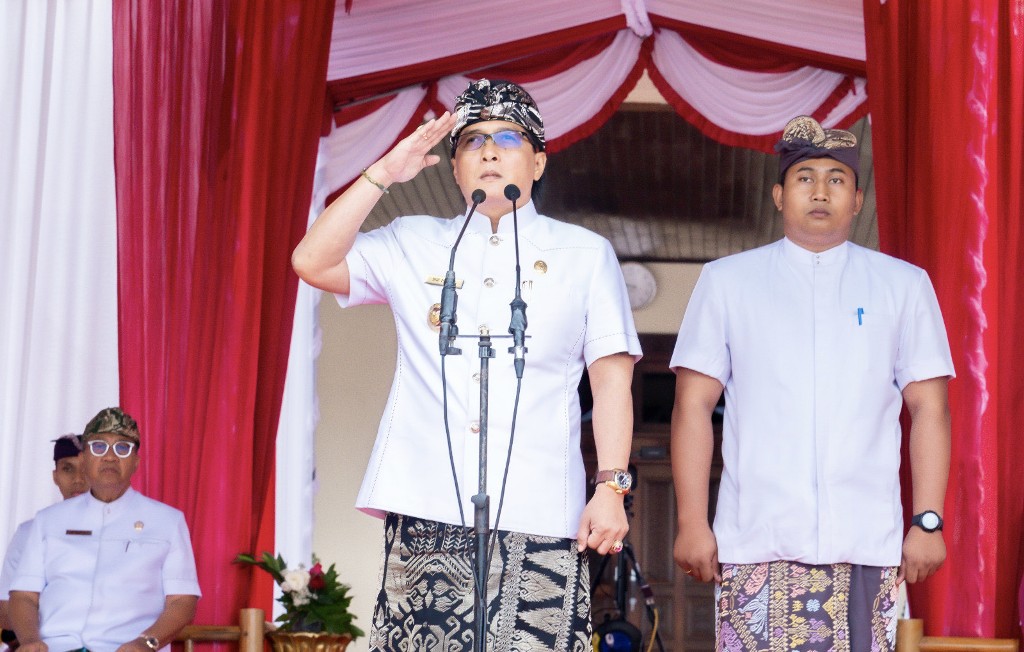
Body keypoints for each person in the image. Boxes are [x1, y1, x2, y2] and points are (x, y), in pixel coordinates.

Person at [292, 78, 641, 651]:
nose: (489, 151)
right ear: (454, 168)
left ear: (538, 162)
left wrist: (612, 485)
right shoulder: (413, 240)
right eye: (473, 141)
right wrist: (384, 172)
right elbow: (311, 261)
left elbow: (611, 381)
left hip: (540, 505)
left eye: (508, 137)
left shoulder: (584, 254)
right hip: (425, 502)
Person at [669, 116, 954, 651]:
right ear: (779, 195)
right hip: (756, 541)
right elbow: (692, 406)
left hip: (865, 541)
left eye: (836, 179)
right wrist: (691, 521)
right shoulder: (727, 281)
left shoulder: (903, 286)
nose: (820, 191)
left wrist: (928, 521)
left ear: (857, 199)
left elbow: (930, 409)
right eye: (805, 178)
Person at [8, 408, 201, 652]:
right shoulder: (48, 520)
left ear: (136, 462)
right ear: (85, 459)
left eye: (122, 448)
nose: (110, 457)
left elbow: (182, 601)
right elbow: (24, 595)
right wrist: (30, 641)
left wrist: (147, 642)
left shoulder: (167, 521)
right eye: (99, 447)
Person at [0, 435, 89, 647]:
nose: (78, 479)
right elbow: (5, 612)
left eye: (86, 470)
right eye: (68, 469)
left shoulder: (124, 529)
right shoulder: (29, 532)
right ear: (55, 476)